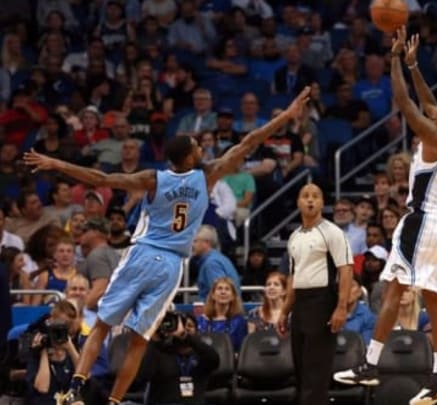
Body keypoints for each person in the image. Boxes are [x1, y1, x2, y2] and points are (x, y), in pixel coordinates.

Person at [25, 87, 311, 405]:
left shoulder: (153, 178)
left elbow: (100, 179)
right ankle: (115, 401)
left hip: (142, 255)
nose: (201, 146)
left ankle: (76, 388)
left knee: (103, 326)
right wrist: (286, 115)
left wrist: (56, 163)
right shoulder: (208, 176)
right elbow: (251, 141)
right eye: (195, 145)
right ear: (188, 156)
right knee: (138, 341)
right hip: (171, 265)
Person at [333, 27, 437, 405]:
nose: (436, 109)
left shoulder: (435, 138)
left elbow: (405, 103)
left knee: (395, 287)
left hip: (423, 222)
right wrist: (415, 67)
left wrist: (394, 59)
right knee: (432, 299)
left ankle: (372, 365)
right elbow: (428, 104)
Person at [278, 183, 354, 405]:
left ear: (322, 203)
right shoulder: (294, 237)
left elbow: (346, 269)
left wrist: (341, 307)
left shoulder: (332, 232)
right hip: (300, 304)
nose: (310, 200)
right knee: (301, 370)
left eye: (315, 196)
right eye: (305, 196)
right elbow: (293, 278)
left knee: (316, 372)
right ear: (298, 202)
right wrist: (284, 311)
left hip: (322, 302)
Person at [139, 312, 220, 405]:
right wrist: (154, 340)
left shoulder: (201, 354)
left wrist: (185, 336)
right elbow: (141, 377)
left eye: (189, 326)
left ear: (197, 330)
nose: (184, 329)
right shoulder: (159, 352)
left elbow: (214, 360)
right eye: (178, 326)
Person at [196, 277, 248, 352]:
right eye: (219, 288)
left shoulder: (239, 321)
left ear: (233, 296)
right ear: (213, 295)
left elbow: (242, 350)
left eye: (227, 289)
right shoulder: (201, 320)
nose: (223, 292)